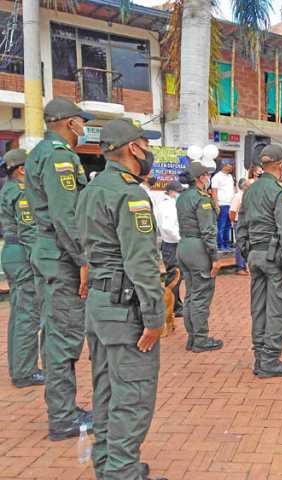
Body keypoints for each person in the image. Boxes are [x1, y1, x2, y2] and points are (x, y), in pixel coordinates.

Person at [76, 118, 166, 480]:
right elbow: (142, 262)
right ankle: (123, 473)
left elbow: (83, 245)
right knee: (134, 396)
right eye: (145, 144)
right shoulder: (130, 194)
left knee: (107, 390)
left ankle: (109, 465)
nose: (149, 152)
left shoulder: (92, 189)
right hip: (124, 306)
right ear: (132, 148)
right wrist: (155, 317)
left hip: (99, 304)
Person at [24, 97, 93, 441]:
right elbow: (66, 216)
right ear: (69, 123)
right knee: (64, 336)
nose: (84, 127)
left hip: (48, 251)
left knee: (54, 332)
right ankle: (63, 417)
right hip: (61, 256)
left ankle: (63, 409)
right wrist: (83, 260)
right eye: (82, 121)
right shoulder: (59, 158)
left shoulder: (39, 153)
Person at [237, 145, 282, 378]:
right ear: (281, 165)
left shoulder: (249, 191)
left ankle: (259, 356)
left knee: (259, 308)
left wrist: (247, 253)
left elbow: (241, 226)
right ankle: (270, 360)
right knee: (279, 309)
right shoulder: (280, 193)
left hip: (255, 255)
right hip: (274, 258)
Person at [0, 149, 43, 388]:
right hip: (23, 254)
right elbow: (29, 232)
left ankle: (19, 367)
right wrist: (42, 263)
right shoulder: (21, 192)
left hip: (12, 252)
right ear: (22, 169)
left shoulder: (8, 189)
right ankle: (25, 371)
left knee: (19, 314)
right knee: (28, 315)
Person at [176, 162, 224, 353]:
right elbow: (208, 231)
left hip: (184, 246)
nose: (208, 178)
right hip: (199, 249)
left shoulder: (182, 197)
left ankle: (192, 337)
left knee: (190, 294)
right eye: (206, 175)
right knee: (201, 296)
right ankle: (201, 339)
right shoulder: (201, 199)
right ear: (199, 178)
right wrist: (215, 257)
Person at [157, 181, 185, 316]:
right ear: (171, 192)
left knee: (176, 275)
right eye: (178, 191)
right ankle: (175, 307)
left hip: (170, 243)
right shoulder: (168, 206)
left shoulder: (166, 204)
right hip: (172, 243)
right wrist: (180, 238)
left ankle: (176, 304)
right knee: (174, 276)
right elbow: (168, 226)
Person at [210, 159, 235, 251]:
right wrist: (216, 205)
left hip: (230, 204)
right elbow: (214, 192)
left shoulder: (230, 177)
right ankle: (220, 245)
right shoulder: (217, 177)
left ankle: (226, 244)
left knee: (228, 226)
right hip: (222, 204)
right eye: (230, 164)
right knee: (221, 226)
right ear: (224, 165)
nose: (232, 166)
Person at [229, 177, 249, 275]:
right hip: (239, 222)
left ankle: (245, 266)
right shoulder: (237, 196)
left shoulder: (248, 195)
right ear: (244, 186)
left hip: (247, 222)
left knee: (246, 244)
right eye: (248, 184)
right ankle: (240, 267)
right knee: (240, 245)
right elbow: (232, 211)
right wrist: (234, 222)